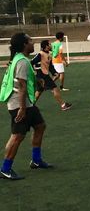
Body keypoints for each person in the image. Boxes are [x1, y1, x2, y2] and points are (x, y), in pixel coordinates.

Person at [0, 33, 52, 180]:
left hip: (26, 103)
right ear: (24, 44)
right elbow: (22, 86)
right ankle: (5, 169)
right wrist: (22, 108)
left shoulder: (20, 59)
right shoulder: (22, 61)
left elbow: (23, 80)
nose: (33, 42)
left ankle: (36, 160)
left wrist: (37, 81)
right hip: (19, 104)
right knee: (18, 136)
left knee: (40, 126)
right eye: (30, 40)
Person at [32, 40, 72, 111]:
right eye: (49, 44)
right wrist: (35, 71)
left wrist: (54, 73)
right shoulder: (40, 54)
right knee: (55, 88)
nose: (51, 45)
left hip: (43, 75)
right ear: (46, 46)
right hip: (42, 75)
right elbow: (32, 62)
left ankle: (30, 106)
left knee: (39, 91)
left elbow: (50, 66)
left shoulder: (49, 54)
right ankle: (63, 105)